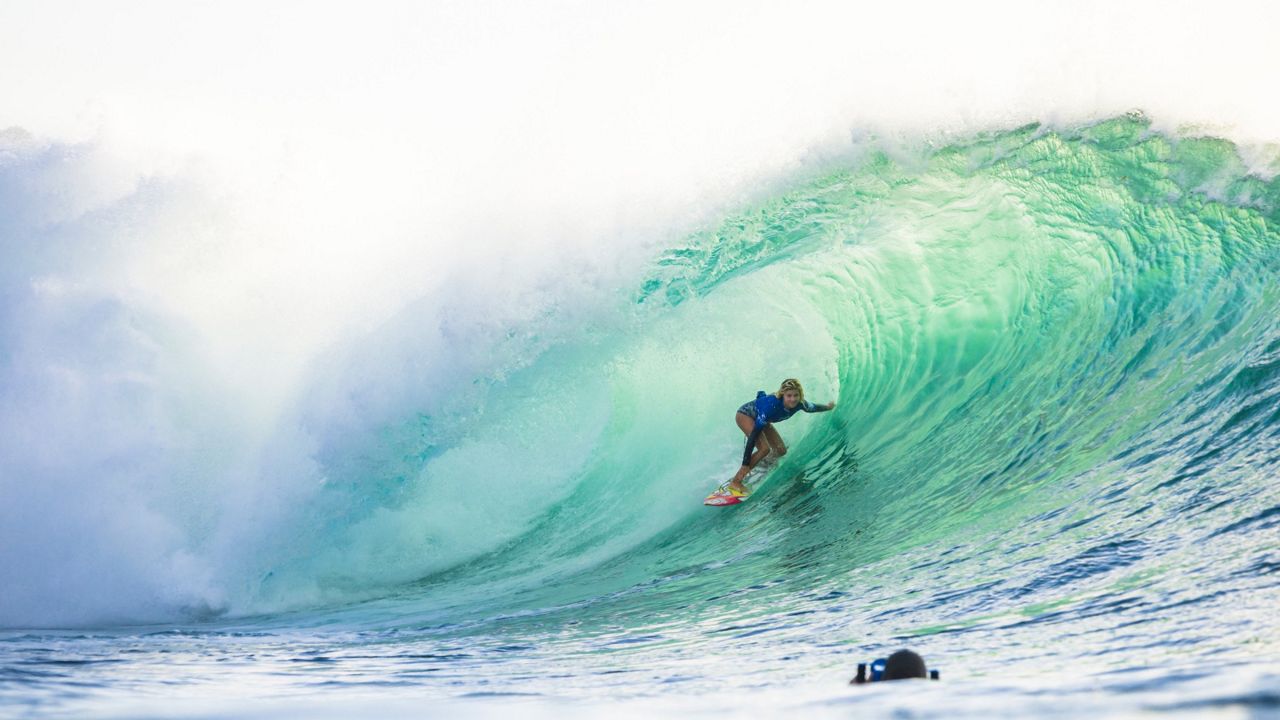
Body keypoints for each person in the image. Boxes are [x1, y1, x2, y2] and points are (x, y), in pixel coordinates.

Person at [726, 378, 835, 496]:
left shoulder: (800, 404)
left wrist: (828, 407)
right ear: (783, 395)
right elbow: (753, 437)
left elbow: (814, 408)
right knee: (764, 449)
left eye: (795, 395)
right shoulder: (771, 408)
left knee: (781, 451)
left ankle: (763, 462)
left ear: (800, 395)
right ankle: (736, 481)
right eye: (789, 395)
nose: (793, 399)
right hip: (745, 415)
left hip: (761, 417)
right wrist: (745, 464)